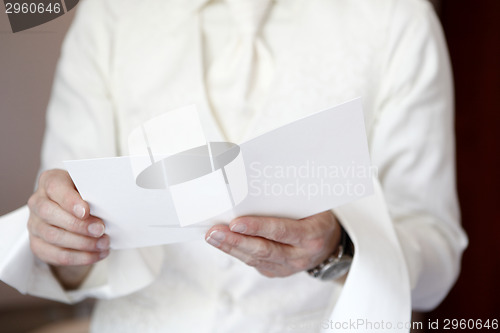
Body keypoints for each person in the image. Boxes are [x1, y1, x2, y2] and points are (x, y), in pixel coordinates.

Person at [22, 0, 468, 331]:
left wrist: (339, 250)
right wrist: (65, 244)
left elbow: (437, 257)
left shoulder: (398, 18)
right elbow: (63, 228)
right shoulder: (109, 15)